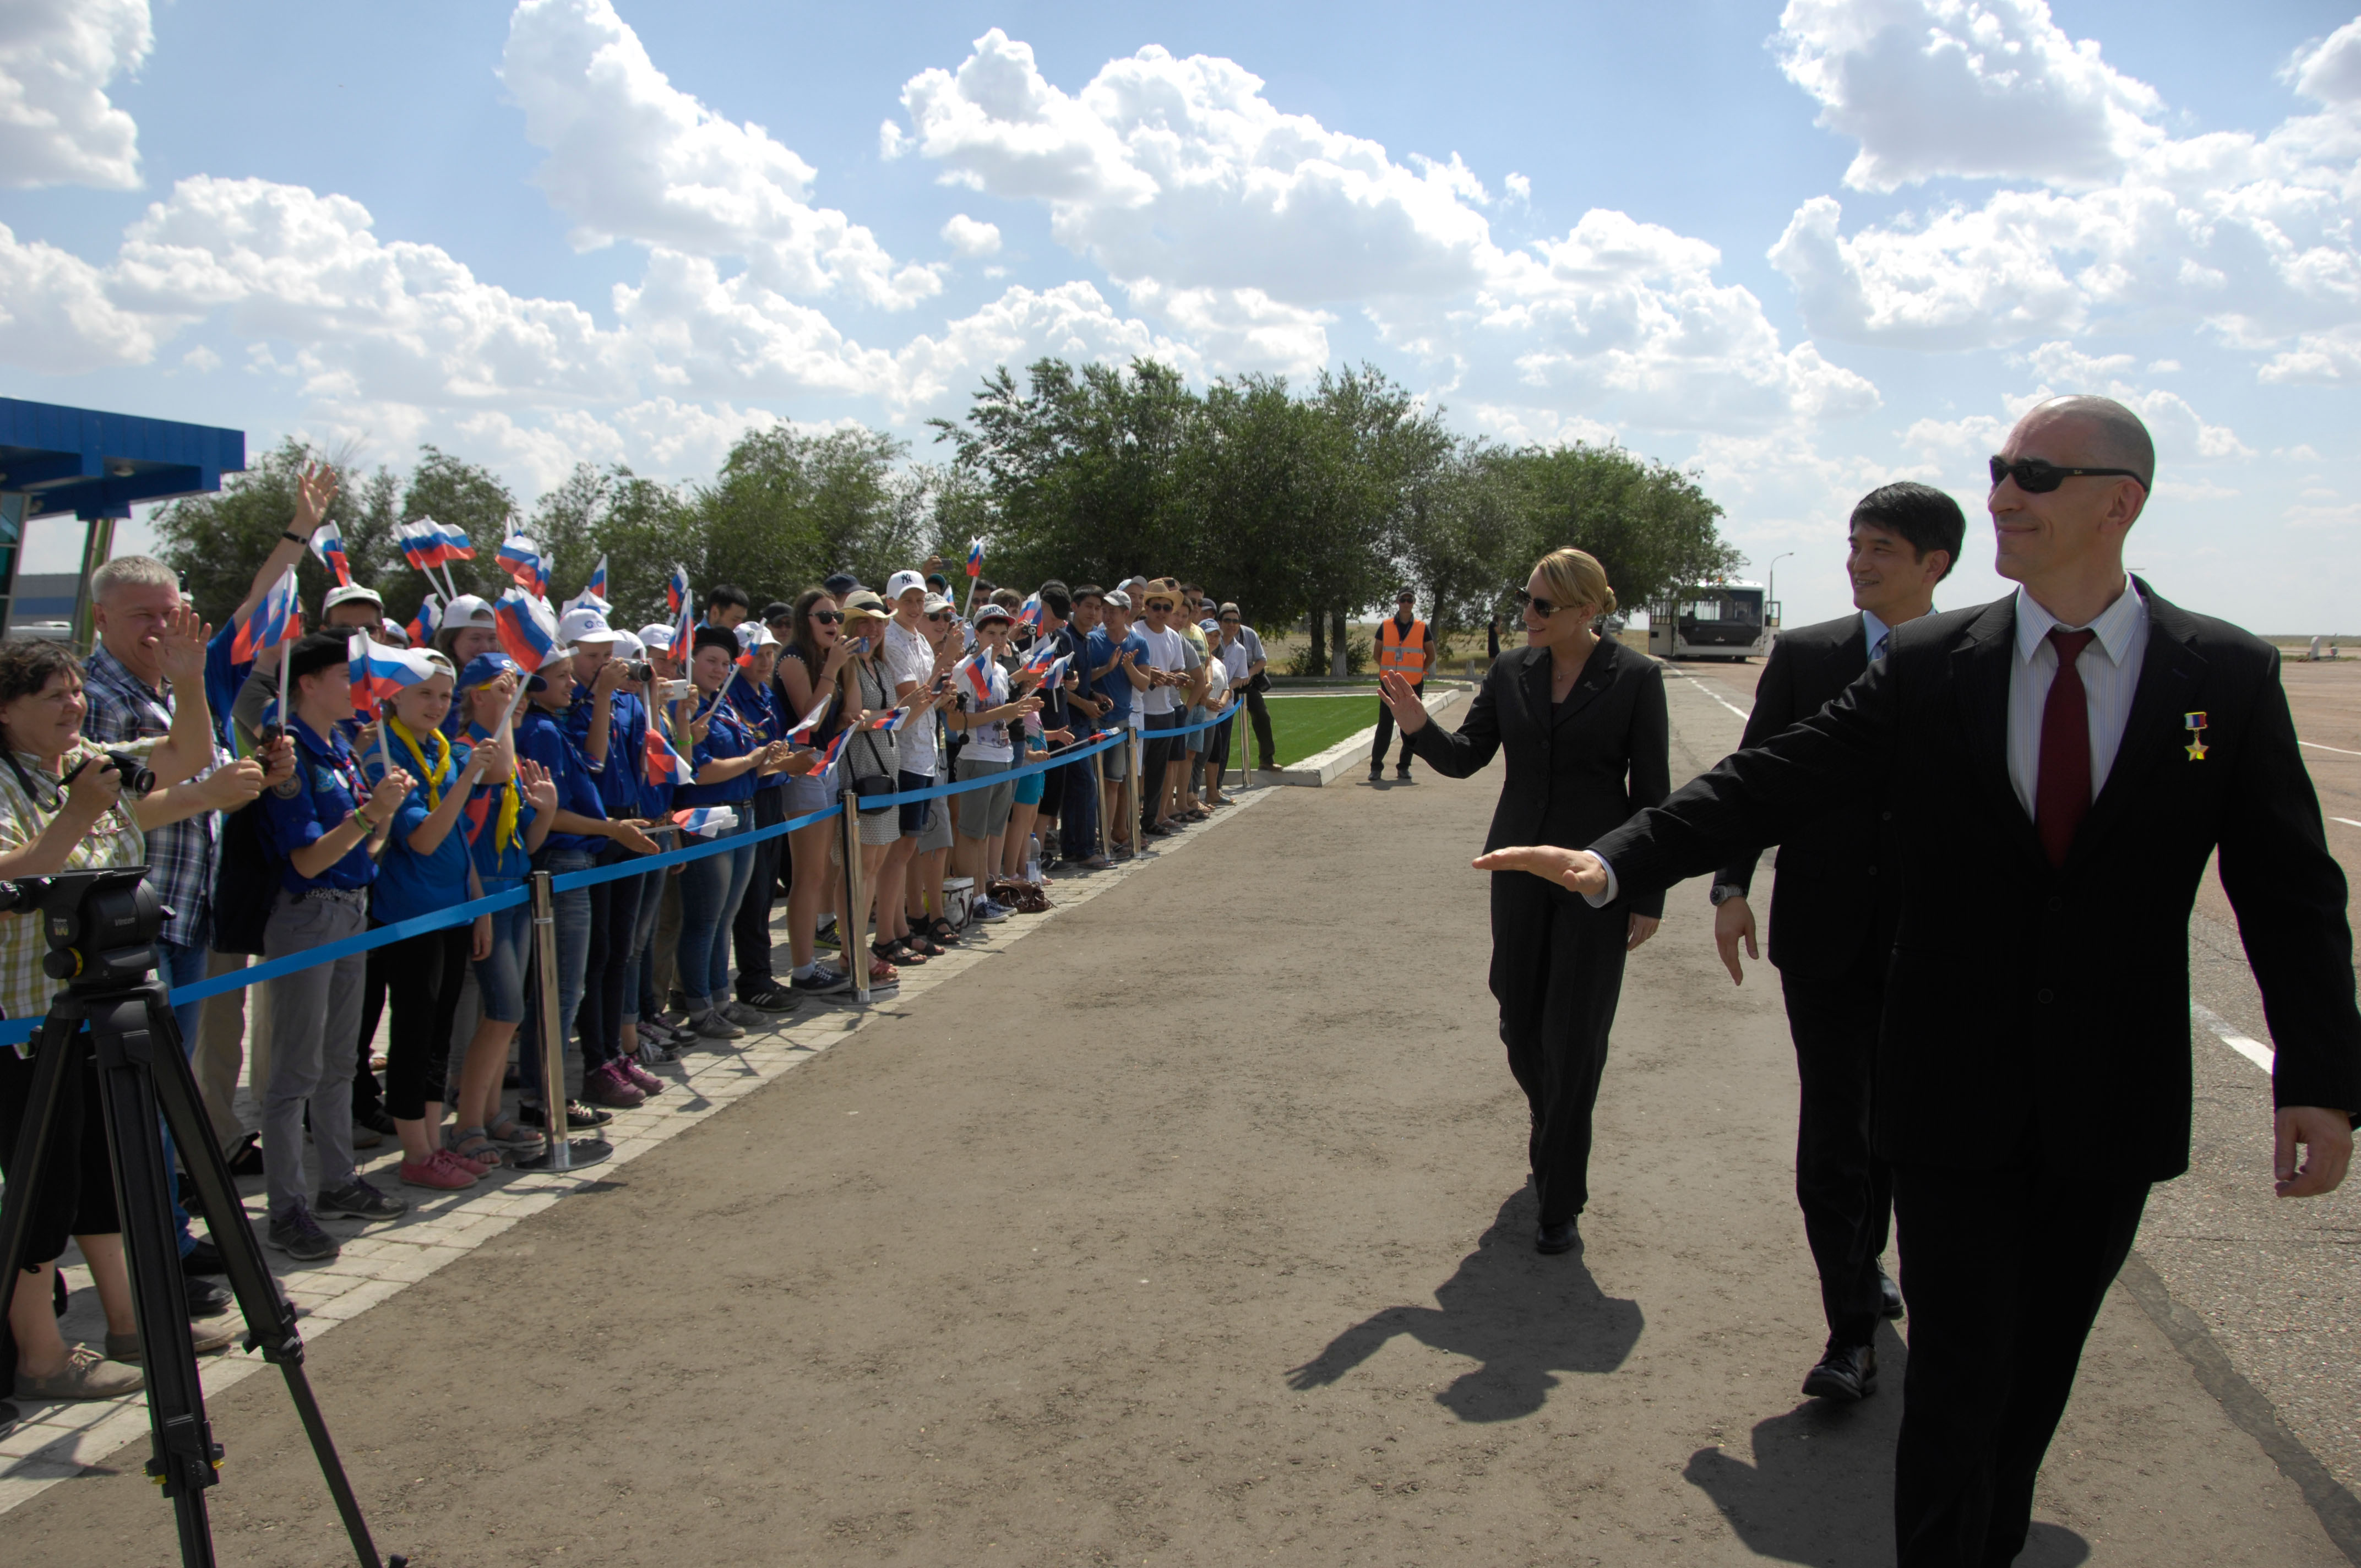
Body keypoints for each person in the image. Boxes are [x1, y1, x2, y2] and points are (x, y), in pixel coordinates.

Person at [1505, 396, 2361, 1568]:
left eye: (2035, 474)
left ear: (2121, 501)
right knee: (1956, 1379)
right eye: (1998, 469)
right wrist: (1615, 858)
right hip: (1948, 1088)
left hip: (2109, 1098)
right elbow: (1773, 778)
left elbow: (2289, 891)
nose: (2003, 492)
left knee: (2028, 1384)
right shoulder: (1928, 664)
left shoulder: (2220, 674)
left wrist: (2316, 1075)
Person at [1708, 481, 1966, 1404]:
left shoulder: (1975, 659)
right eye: (1853, 545)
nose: (1857, 562)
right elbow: (1757, 775)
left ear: (1934, 563)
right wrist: (1731, 885)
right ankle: (1847, 1327)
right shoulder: (1809, 654)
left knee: (1898, 1126)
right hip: (1821, 932)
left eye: (1881, 549)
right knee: (1833, 1131)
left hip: (1934, 943)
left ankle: (1872, 1262)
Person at [1377, 548, 1667, 1256]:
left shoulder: (1635, 678)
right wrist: (1417, 723)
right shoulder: (1512, 671)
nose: (1526, 615)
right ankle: (1552, 1116)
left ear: (1586, 610)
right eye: (1525, 600)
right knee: (1516, 1014)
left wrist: (1645, 891)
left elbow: (1654, 797)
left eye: (1542, 605)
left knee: (1575, 1035)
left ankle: (1559, 1198)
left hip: (1595, 877)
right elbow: (1466, 755)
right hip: (1515, 869)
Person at [0, 634, 265, 1399]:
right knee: (40, 1193)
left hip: (99, 1006)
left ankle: (133, 1323)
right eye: (53, 696)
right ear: (6, 709)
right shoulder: (32, 785)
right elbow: (13, 876)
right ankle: (41, 1356)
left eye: (77, 692)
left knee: (100, 1178)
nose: (74, 707)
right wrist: (77, 816)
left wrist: (188, 682)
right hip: (25, 1023)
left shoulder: (83, 762)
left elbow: (185, 755)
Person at [254, 631, 419, 1262]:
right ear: (309, 683)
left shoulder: (340, 752)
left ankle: (338, 1181)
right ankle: (286, 1207)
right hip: (307, 917)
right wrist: (370, 816)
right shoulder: (291, 756)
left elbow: (358, 851)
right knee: (295, 1069)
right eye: (346, 677)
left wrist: (379, 816)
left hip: (350, 910)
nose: (358, 688)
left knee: (340, 1060)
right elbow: (305, 859)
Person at [355, 651, 495, 1190]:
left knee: (438, 1032)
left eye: (445, 695)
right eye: (425, 694)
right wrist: (470, 777)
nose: (437, 705)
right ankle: (415, 1152)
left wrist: (477, 902)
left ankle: (433, 1144)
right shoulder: (384, 755)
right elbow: (423, 838)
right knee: (414, 1032)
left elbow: (458, 838)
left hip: (454, 906)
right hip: (409, 914)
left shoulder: (440, 748)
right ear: (394, 697)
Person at [445, 654, 557, 1170]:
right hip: (484, 893)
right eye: (504, 688)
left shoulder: (504, 757)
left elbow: (524, 844)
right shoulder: (471, 751)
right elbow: (487, 785)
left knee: (506, 1015)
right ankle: (467, 1121)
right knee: (503, 1010)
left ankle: (490, 1113)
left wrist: (548, 812)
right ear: (476, 696)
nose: (518, 697)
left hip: (512, 886)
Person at [674, 625, 789, 1036]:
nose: (720, 669)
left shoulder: (723, 707)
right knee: (705, 919)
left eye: (725, 663)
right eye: (711, 661)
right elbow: (698, 773)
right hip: (706, 818)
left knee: (725, 917)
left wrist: (770, 758)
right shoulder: (686, 711)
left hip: (744, 811)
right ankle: (701, 1006)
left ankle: (720, 999)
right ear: (690, 663)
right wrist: (753, 758)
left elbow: (750, 763)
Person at [775, 588, 857, 997]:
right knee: (806, 875)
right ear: (804, 619)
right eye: (823, 616)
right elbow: (809, 716)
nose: (832, 624)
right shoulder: (793, 659)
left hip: (828, 765)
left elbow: (845, 715)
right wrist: (833, 669)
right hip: (802, 767)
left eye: (837, 617)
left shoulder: (832, 660)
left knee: (819, 870)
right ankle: (803, 968)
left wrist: (849, 668)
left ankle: (809, 963)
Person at [724, 619, 802, 1015]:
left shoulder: (767, 695)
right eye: (757, 653)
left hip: (771, 797)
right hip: (747, 799)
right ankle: (750, 978)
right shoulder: (731, 697)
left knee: (762, 892)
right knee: (750, 896)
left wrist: (795, 762)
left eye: (771, 652)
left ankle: (760, 973)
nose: (766, 660)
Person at [948, 605, 1040, 924]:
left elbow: (1001, 716)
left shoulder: (1000, 671)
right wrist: (1002, 714)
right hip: (976, 758)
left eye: (1003, 634)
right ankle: (972, 900)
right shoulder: (965, 669)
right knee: (971, 833)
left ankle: (984, 893)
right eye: (991, 633)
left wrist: (1019, 709)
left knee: (987, 833)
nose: (999, 640)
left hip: (1002, 757)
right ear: (977, 634)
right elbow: (955, 720)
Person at [837, 590, 907, 987]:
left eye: (880, 622)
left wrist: (913, 704)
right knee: (859, 868)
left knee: (875, 865)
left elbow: (888, 718)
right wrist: (890, 714)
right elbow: (853, 718)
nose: (874, 629)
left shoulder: (881, 666)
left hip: (886, 768)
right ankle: (852, 949)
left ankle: (857, 946)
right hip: (859, 769)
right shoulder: (849, 664)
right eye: (864, 621)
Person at [1372, 588, 1435, 783]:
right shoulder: (1386, 626)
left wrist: (1420, 671)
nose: (1407, 603)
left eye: (1410, 600)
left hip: (1413, 684)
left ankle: (1404, 767)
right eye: (1403, 600)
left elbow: (1431, 655)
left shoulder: (1422, 627)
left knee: (1411, 727)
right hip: (1390, 684)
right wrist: (1387, 671)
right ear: (1397, 602)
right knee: (1385, 725)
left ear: (1414, 603)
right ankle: (1376, 767)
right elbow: (1377, 654)